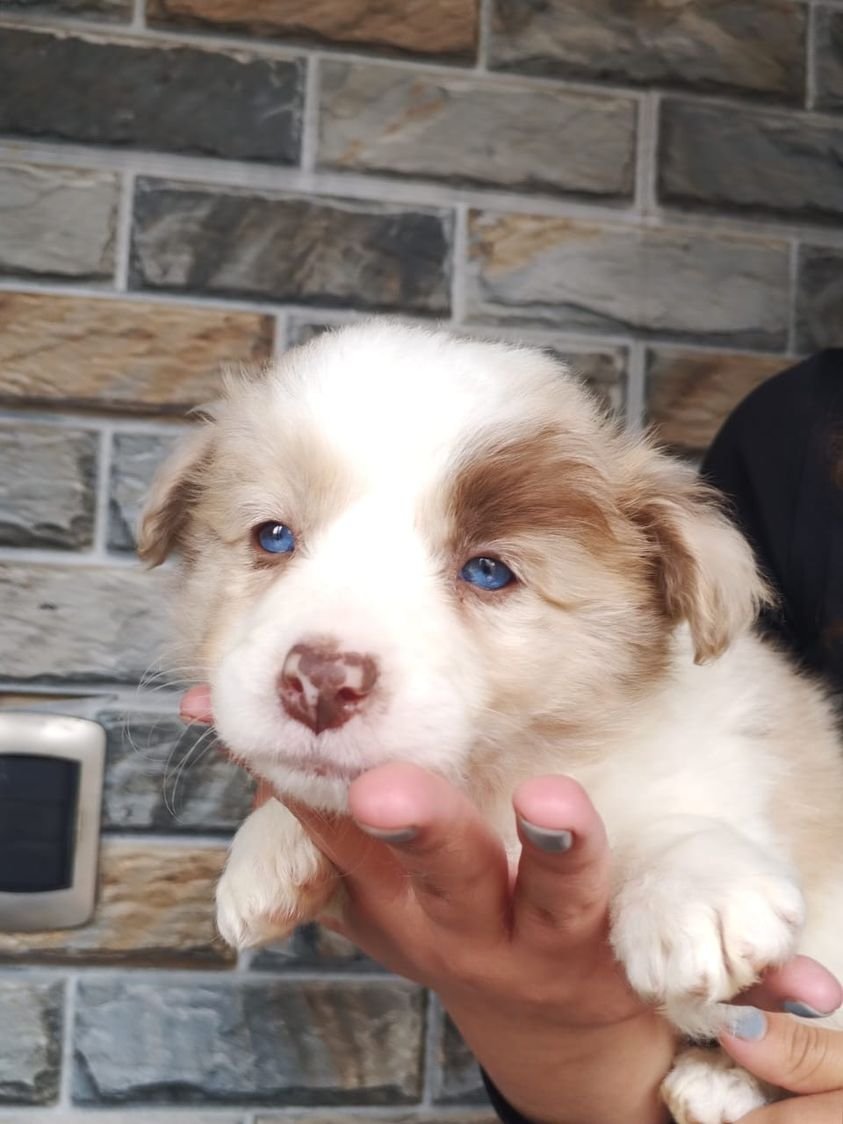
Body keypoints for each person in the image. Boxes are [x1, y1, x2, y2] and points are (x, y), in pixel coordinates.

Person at [180, 350, 843, 1124]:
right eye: (273, 536)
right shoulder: (792, 431)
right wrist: (297, 825)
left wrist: (685, 862)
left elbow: (693, 846)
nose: (324, 666)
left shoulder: (674, 737)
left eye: (488, 571)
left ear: (657, 582)